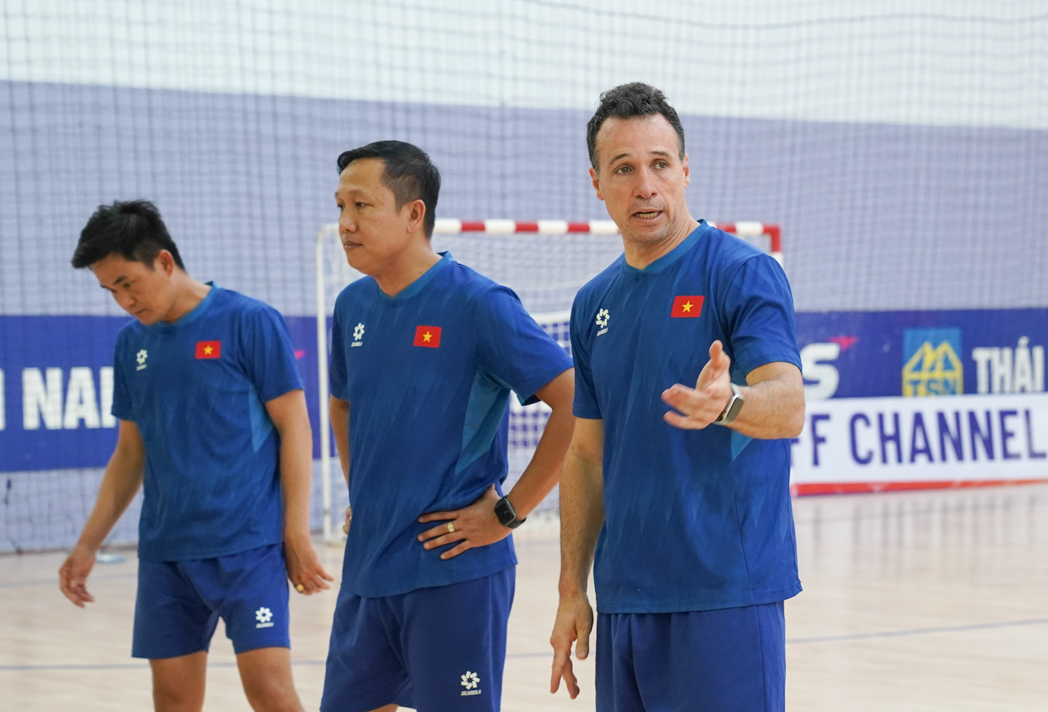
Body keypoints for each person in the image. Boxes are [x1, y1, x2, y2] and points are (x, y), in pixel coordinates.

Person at [549, 83, 806, 712]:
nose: (645, 185)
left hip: (725, 597)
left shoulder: (741, 273)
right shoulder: (593, 303)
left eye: (660, 164)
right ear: (597, 182)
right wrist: (571, 589)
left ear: (685, 170)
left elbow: (789, 405)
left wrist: (730, 403)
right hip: (624, 600)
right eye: (624, 168)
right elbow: (586, 454)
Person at [321, 140, 575, 712]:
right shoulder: (352, 306)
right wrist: (363, 490)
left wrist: (509, 513)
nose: (345, 223)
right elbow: (341, 404)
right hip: (367, 569)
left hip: (454, 572)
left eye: (361, 206)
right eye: (340, 207)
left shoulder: (479, 303)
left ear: (414, 214)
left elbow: (575, 403)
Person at [59, 200, 332, 712]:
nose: (123, 300)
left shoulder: (250, 321)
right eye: (111, 290)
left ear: (164, 261)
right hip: (166, 554)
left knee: (270, 694)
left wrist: (295, 533)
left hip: (248, 546)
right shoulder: (130, 346)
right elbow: (129, 455)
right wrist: (87, 545)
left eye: (128, 282)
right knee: (173, 701)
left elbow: (295, 428)